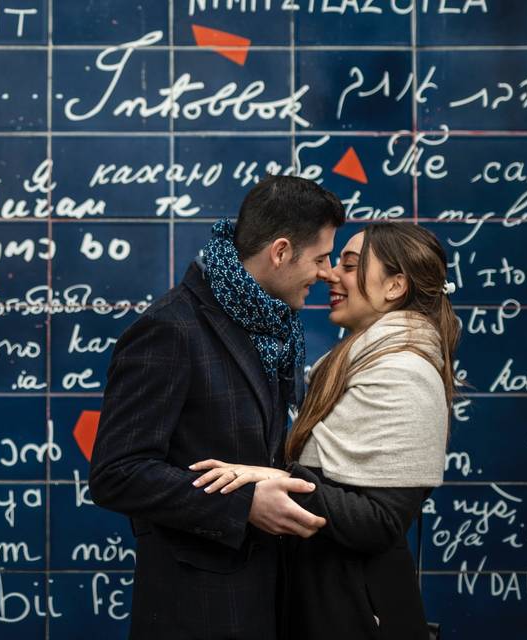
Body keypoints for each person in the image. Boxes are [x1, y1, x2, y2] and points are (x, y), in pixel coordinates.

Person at [89, 175, 345, 639]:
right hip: (199, 611)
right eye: (321, 258)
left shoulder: (273, 326)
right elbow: (116, 474)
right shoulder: (171, 328)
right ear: (281, 252)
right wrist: (244, 505)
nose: (327, 273)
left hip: (270, 598)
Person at [193, 223, 458, 640]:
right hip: (331, 601)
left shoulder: (405, 372)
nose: (332, 274)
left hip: (358, 610)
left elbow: (380, 521)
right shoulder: (359, 360)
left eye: (350, 266)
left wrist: (281, 479)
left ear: (394, 286)